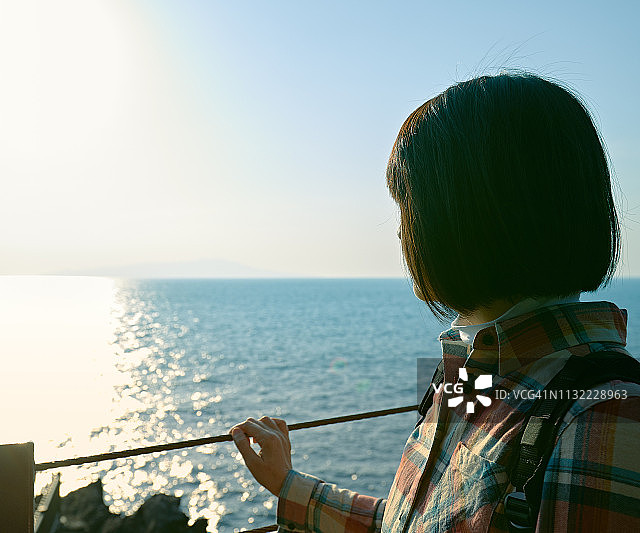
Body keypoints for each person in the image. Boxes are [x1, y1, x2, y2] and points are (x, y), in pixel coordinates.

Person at [230, 73, 640, 532]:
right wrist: (290, 486)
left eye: (409, 206)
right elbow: (416, 521)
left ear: (470, 215)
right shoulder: (474, 369)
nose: (401, 232)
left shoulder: (605, 417)